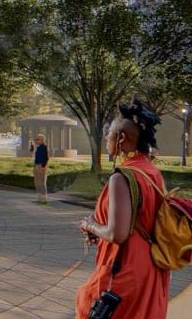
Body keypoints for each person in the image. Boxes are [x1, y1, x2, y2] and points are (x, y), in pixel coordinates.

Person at [75, 100, 169, 319]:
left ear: (121, 138)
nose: (106, 138)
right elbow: (138, 223)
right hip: (149, 266)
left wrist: (90, 224)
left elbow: (117, 234)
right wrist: (100, 233)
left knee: (87, 303)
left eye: (109, 133)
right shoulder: (151, 172)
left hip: (123, 268)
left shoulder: (122, 177)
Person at [33, 134, 49, 204]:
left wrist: (43, 166)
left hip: (41, 166)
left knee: (42, 183)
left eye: (37, 139)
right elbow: (34, 155)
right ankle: (39, 198)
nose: (36, 141)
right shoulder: (38, 147)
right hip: (36, 165)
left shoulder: (44, 147)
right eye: (36, 139)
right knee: (36, 182)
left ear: (42, 140)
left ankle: (44, 199)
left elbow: (46, 158)